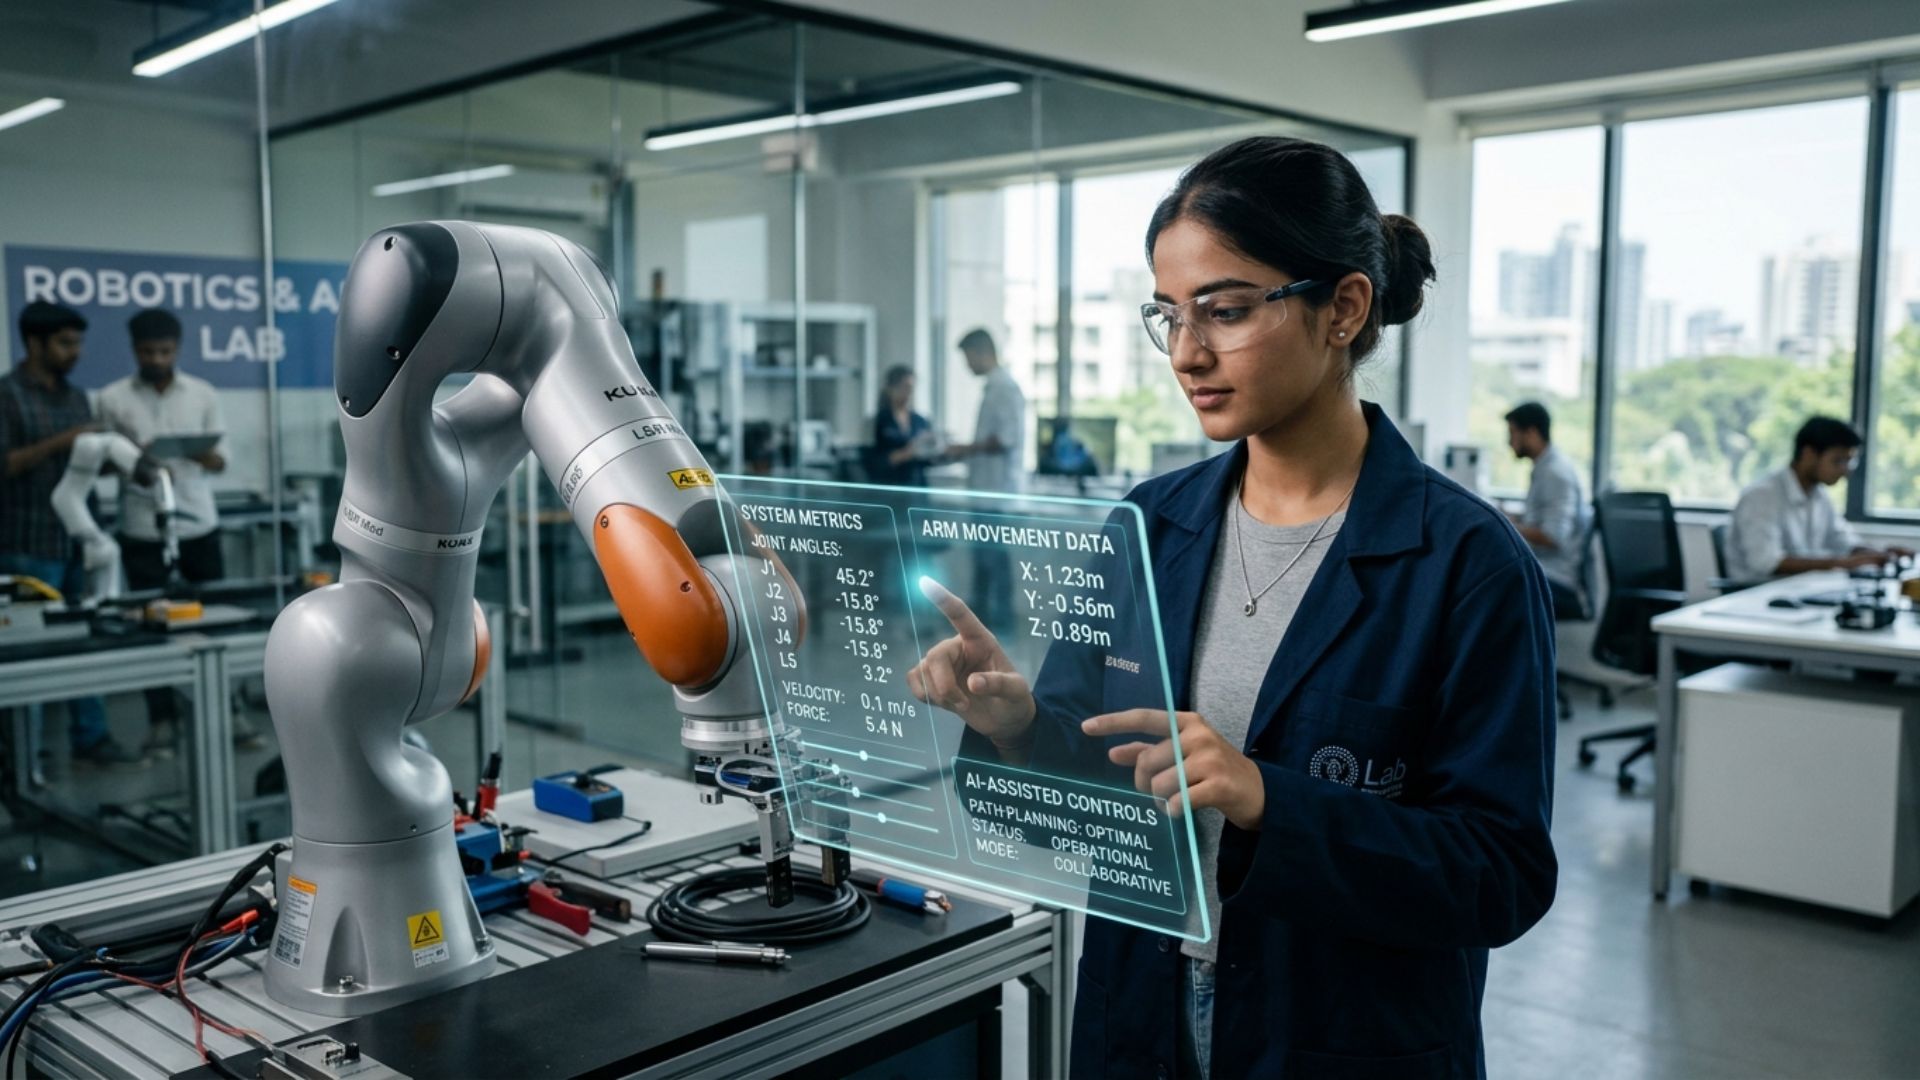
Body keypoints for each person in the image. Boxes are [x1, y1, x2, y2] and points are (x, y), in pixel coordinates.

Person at [908, 136, 1556, 1079]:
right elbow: (1087, 802)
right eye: (1167, 314)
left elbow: (1500, 876)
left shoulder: (1466, 564)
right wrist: (1016, 732)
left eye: (1227, 310)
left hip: (1339, 1035)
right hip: (1141, 1013)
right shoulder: (1147, 526)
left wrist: (1268, 802)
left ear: (1344, 307)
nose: (1186, 351)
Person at [0, 301, 142, 768]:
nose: (75, 352)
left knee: (89, 641)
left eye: (78, 342)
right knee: (29, 657)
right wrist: (68, 440)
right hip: (28, 545)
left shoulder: (77, 398)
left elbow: (83, 467)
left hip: (79, 541)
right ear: (35, 343)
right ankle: (26, 755)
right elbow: (7, 465)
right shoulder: (8, 396)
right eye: (65, 343)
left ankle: (92, 737)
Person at [96, 308, 233, 755]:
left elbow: (221, 459)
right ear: (134, 350)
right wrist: (135, 461)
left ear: (178, 348)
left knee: (216, 623)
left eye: (165, 351)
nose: (156, 358)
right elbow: (103, 463)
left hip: (198, 522)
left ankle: (225, 716)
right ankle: (162, 723)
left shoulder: (203, 393)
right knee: (151, 629)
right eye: (148, 351)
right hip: (142, 526)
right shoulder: (112, 399)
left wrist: (197, 453)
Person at [1726, 416, 1912, 581]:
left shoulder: (1818, 495)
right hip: (1757, 598)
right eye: (1838, 461)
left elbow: (1842, 540)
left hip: (1800, 591)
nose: (1846, 471)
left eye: (1849, 461)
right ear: (1809, 454)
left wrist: (1879, 554)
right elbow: (1766, 562)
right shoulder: (1761, 496)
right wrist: (1844, 563)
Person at [948, 328, 1026, 630]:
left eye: (968, 358)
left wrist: (965, 448)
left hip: (996, 493)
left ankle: (1000, 625)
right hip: (985, 492)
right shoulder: (994, 388)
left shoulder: (1004, 388)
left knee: (994, 563)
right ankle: (978, 625)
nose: (968, 365)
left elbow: (1003, 440)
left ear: (982, 352)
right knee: (984, 563)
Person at [1504, 401, 1589, 615]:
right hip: (1544, 570)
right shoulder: (1544, 468)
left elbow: (1553, 536)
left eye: (1513, 433)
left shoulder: (1555, 473)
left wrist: (1509, 525)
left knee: (1488, 584)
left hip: (1557, 578)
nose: (1509, 442)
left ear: (1531, 433)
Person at [866, 364, 935, 488]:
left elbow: (930, 459)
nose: (908, 393)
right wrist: (908, 453)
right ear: (890, 388)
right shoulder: (878, 421)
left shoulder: (921, 421)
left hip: (917, 486)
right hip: (889, 486)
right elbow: (872, 463)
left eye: (911, 388)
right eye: (904, 387)